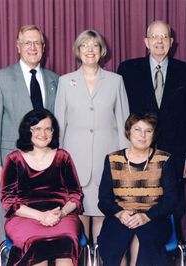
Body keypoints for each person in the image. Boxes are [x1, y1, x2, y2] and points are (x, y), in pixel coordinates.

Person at [117, 20, 186, 239]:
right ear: (146, 41)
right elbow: (122, 113)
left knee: (173, 203)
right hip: (138, 151)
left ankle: (169, 252)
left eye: (164, 37)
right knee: (140, 203)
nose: (159, 42)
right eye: (154, 37)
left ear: (171, 42)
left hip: (175, 152)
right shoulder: (128, 69)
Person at [0, 24, 59, 241]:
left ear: (44, 47)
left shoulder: (55, 79)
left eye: (37, 43)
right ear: (18, 47)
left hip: (46, 161)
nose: (32, 47)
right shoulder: (0, 78)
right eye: (27, 42)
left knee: (41, 212)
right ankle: (8, 256)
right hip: (12, 159)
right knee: (10, 212)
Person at [54, 29, 129, 244]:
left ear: (101, 50)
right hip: (75, 160)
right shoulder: (65, 82)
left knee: (103, 215)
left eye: (94, 45)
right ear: (78, 50)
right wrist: (58, 161)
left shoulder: (116, 81)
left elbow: (124, 123)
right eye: (85, 45)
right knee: (78, 216)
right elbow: (58, 123)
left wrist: (124, 162)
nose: (90, 50)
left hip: (107, 158)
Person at [1, 109, 83, 266]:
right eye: (37, 128)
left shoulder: (63, 157)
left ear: (53, 131)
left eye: (48, 129)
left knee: (66, 243)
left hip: (61, 215)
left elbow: (76, 195)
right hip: (25, 217)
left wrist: (61, 213)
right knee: (37, 246)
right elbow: (8, 201)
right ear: (28, 130)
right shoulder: (14, 159)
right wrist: (41, 216)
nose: (43, 134)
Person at [97, 113, 178, 266]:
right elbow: (104, 199)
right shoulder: (113, 159)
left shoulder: (164, 159)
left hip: (154, 218)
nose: (142, 135)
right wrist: (120, 213)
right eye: (137, 130)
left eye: (148, 131)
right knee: (115, 245)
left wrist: (146, 216)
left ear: (154, 135)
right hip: (120, 218)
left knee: (143, 242)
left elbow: (171, 200)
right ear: (128, 132)